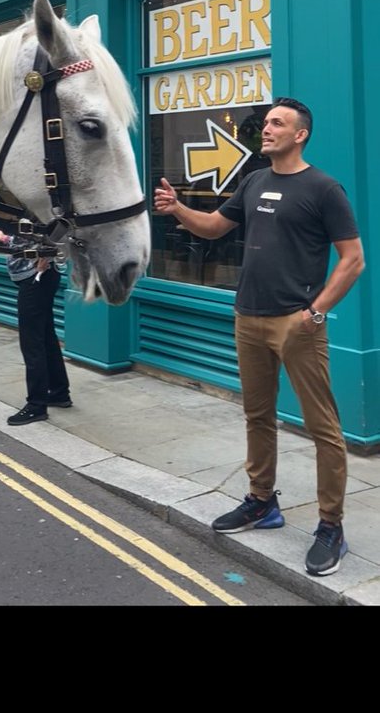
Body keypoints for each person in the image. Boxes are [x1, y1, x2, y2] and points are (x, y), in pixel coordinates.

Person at [154, 97, 365, 577]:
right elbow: (212, 229)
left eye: (277, 124)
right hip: (247, 317)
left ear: (300, 134)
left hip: (298, 324)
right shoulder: (253, 181)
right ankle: (261, 502)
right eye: (266, 122)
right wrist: (178, 209)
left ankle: (331, 526)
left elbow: (353, 260)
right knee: (257, 415)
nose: (266, 129)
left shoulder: (324, 188)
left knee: (323, 429)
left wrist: (314, 313)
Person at [0, 228, 72, 425]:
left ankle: (36, 406)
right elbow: (32, 237)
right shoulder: (32, 208)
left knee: (32, 343)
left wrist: (47, 255)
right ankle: (59, 392)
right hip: (38, 276)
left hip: (38, 277)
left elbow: (61, 230)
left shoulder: (44, 203)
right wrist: (7, 238)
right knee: (46, 336)